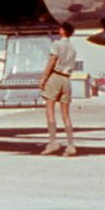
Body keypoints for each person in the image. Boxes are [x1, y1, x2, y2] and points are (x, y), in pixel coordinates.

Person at [38, 21, 78, 156]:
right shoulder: (73, 48)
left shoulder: (57, 44)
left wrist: (43, 77)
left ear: (63, 31)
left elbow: (52, 60)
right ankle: (71, 145)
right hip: (67, 79)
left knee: (50, 111)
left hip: (55, 77)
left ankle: (53, 142)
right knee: (66, 115)